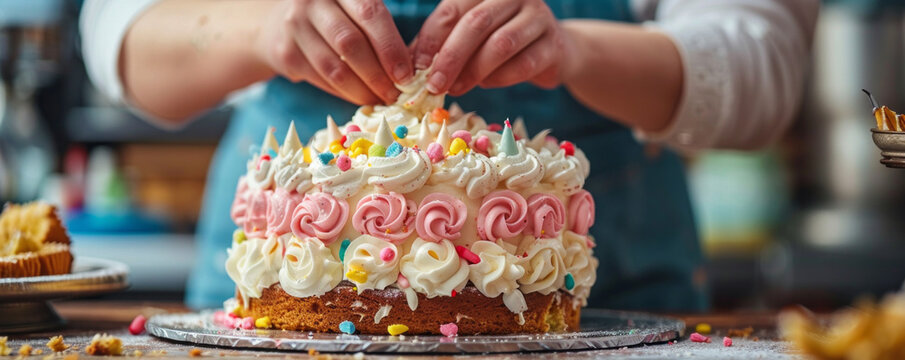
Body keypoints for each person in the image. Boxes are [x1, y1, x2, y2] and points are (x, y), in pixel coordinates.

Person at [80, 0, 819, 310]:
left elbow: (764, 72)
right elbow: (121, 42)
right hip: (272, 316)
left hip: (601, 315)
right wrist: (256, 28)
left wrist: (573, 47)